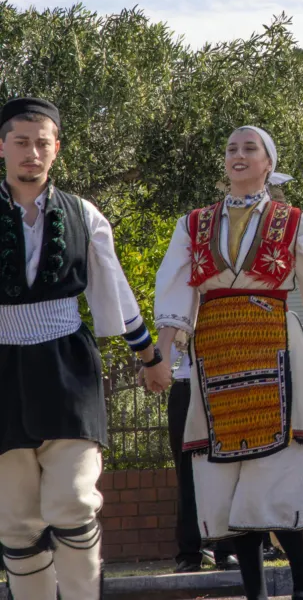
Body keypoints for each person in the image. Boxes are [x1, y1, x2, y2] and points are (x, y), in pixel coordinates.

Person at [154, 126, 303, 600]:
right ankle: (261, 591)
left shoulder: (291, 221)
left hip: (274, 349)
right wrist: (163, 355)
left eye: (250, 148)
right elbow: (176, 290)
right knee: (227, 470)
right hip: (215, 353)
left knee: (271, 467)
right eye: (231, 148)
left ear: (269, 163)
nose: (238, 154)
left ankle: (302, 577)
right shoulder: (195, 224)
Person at [0, 97, 171, 599]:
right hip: (2, 369)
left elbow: (113, 291)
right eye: (21, 142)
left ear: (56, 148)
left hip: (67, 368)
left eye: (42, 143)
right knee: (15, 519)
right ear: (2, 147)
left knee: (73, 501)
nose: (32, 152)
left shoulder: (83, 213)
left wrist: (150, 357)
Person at [172, 335, 238, 573]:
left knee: (224, 471)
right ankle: (190, 554)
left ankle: (225, 549)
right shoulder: (180, 314)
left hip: (220, 385)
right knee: (187, 474)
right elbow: (168, 350)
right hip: (186, 386)